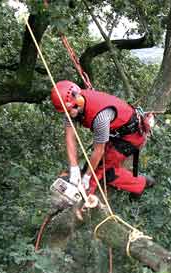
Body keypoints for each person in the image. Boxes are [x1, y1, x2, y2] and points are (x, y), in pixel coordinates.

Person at [50, 80, 155, 217]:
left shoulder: (101, 117)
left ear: (78, 102)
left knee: (99, 171)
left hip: (129, 138)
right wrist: (74, 167)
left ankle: (85, 203)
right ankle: (139, 183)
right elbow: (70, 138)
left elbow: (98, 151)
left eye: (70, 111)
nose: (69, 114)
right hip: (115, 131)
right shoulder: (70, 106)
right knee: (99, 170)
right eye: (66, 112)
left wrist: (87, 177)